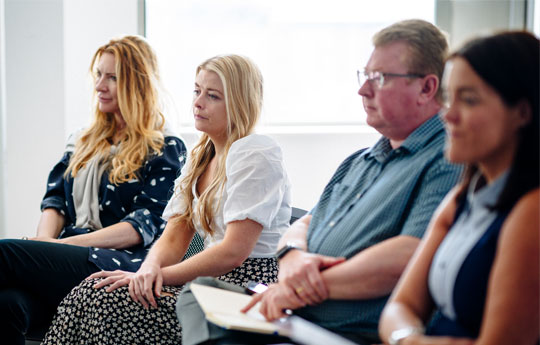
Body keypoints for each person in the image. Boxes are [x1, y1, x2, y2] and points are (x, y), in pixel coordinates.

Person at [177, 19, 463, 345]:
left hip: (343, 331)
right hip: (296, 317)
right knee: (200, 295)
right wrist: (294, 254)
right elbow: (304, 224)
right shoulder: (358, 161)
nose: (362, 89)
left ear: (426, 88)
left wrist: (299, 287)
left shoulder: (446, 158)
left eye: (379, 78)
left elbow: (412, 255)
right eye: (365, 75)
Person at [41, 54, 292, 345]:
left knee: (104, 302)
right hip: (203, 286)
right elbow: (174, 236)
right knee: (92, 291)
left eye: (212, 96)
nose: (197, 103)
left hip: (243, 292)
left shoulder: (256, 152)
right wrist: (146, 270)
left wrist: (160, 276)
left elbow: (233, 252)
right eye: (197, 91)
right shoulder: (201, 155)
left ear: (240, 103)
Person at [0, 35, 187, 345]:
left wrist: (64, 246)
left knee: (5, 252)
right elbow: (56, 201)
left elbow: (144, 225)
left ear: (137, 84)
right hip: (69, 256)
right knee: (7, 304)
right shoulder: (83, 139)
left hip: (117, 262)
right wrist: (46, 243)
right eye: (98, 74)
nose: (100, 85)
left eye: (112, 77)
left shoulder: (164, 146)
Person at [378, 31, 539, 345]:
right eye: (450, 98)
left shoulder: (531, 211)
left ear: (522, 112)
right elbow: (399, 307)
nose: (447, 115)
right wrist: (409, 340)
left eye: (469, 99)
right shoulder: (464, 196)